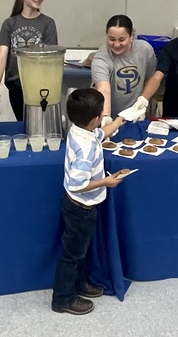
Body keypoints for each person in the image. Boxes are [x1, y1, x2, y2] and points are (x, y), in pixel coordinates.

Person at [52, 88, 130, 316]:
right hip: (81, 208)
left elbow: (101, 134)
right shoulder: (85, 149)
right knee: (72, 254)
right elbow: (78, 183)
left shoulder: (79, 130)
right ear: (95, 119)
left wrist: (119, 121)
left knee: (81, 249)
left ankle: (80, 284)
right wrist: (106, 181)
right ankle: (62, 299)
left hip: (76, 205)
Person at [0, 0, 58, 121]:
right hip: (16, 85)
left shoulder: (48, 23)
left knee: (38, 126)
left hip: (39, 87)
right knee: (23, 124)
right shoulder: (10, 23)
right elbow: (2, 57)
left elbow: (51, 59)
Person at [91, 15, 157, 123]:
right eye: (112, 39)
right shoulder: (101, 58)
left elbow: (151, 79)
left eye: (122, 39)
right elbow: (104, 90)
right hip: (107, 116)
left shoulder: (145, 50)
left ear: (131, 36)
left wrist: (144, 99)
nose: (116, 44)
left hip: (135, 116)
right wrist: (106, 117)